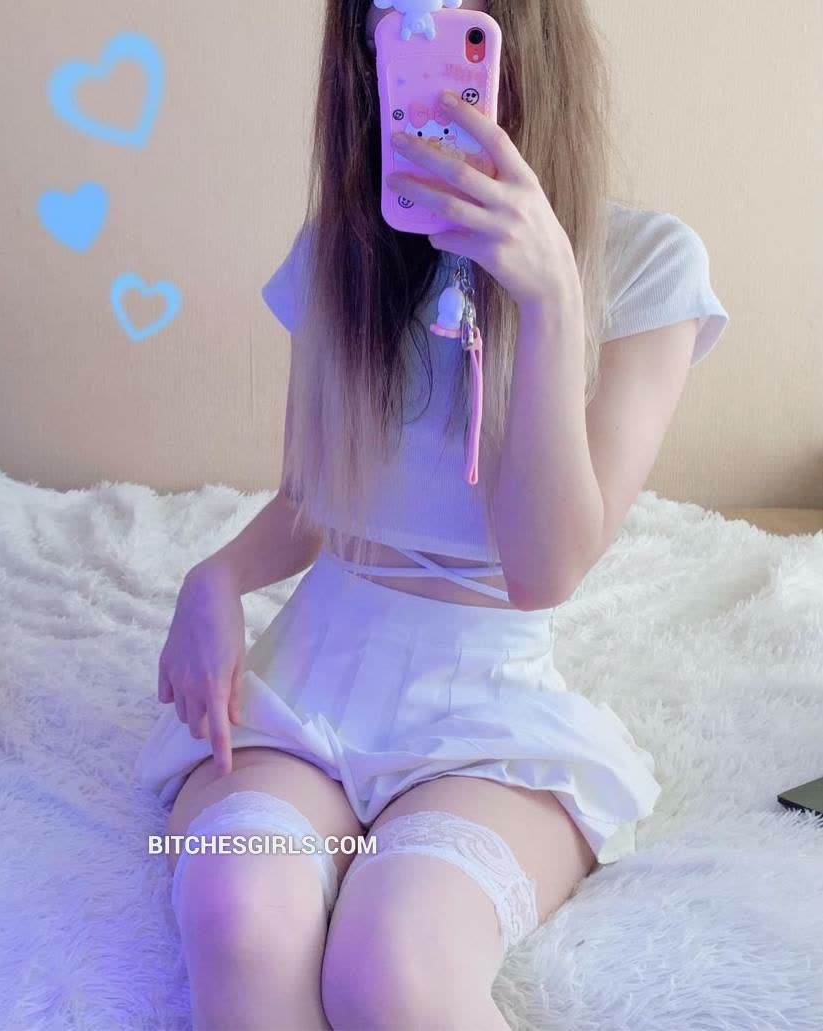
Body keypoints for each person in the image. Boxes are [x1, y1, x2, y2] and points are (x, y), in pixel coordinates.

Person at [135, 1, 730, 1027]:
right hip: (306, 683)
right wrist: (215, 577)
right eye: (393, 21)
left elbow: (544, 568)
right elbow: (314, 496)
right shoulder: (340, 252)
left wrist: (547, 300)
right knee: (240, 909)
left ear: (519, 34)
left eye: (460, 23)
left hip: (489, 705)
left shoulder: (644, 264)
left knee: (395, 964)